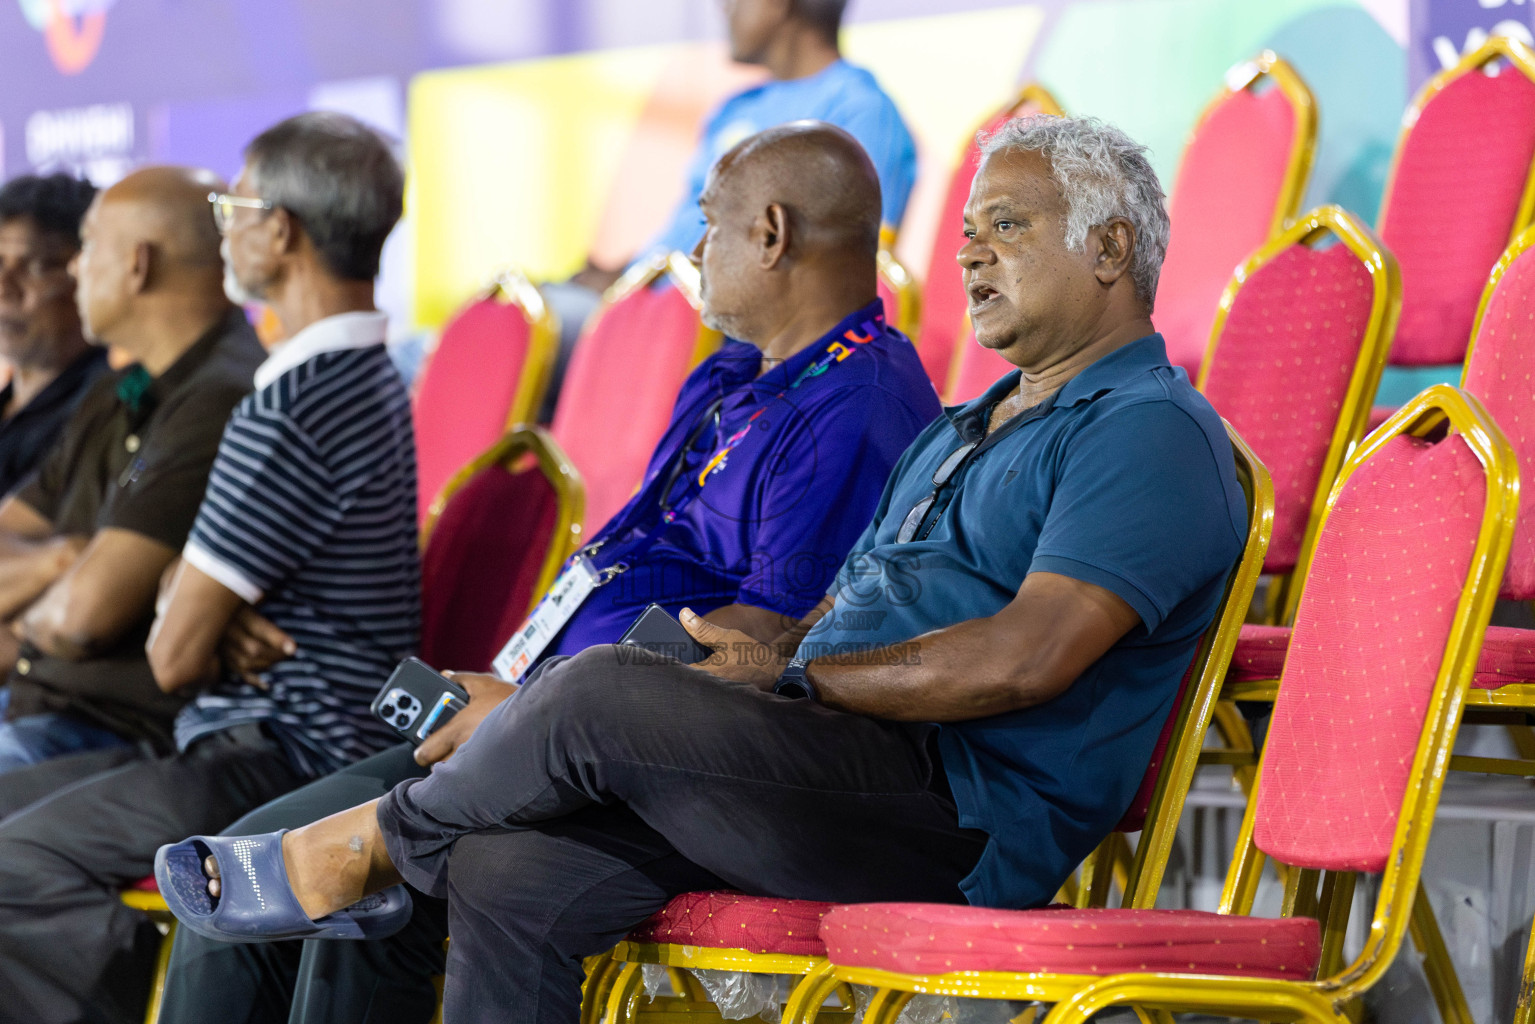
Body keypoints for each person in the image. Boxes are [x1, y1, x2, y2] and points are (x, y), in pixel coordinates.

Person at [162, 114, 1246, 1024]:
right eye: (963, 233)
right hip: (833, 757)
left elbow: (1025, 658)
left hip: (954, 813)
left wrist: (787, 679)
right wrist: (743, 653)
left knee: (594, 696)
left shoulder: (1145, 431)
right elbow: (830, 613)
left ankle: (362, 848)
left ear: (1109, 250)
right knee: (505, 868)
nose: (966, 256)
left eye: (1004, 228)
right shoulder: (967, 423)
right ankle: (385, 845)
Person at [0, 112, 418, 1024]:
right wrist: (183, 600)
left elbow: (172, 658)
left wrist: (185, 608)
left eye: (234, 205)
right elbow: (179, 620)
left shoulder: (293, 404)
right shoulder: (335, 379)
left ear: (280, 231)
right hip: (264, 739)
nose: (222, 224)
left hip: (284, 752)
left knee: (13, 863)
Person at [0, 167, 264, 781]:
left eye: (85, 248)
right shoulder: (123, 386)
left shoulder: (221, 396)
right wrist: (61, 560)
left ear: (138, 264)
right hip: (38, 709)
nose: (74, 270)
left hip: (107, 735)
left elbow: (83, 618)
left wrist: (48, 599)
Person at [543, 0, 916, 418]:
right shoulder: (734, 109)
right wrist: (624, 275)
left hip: (716, 329)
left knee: (537, 330)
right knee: (510, 316)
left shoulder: (862, 111)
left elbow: (840, 272)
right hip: (647, 305)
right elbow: (688, 229)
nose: (723, 8)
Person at [0, 174, 109, 497]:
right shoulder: (12, 402)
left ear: (90, 271)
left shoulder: (107, 411)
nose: (5, 287)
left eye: (36, 266)